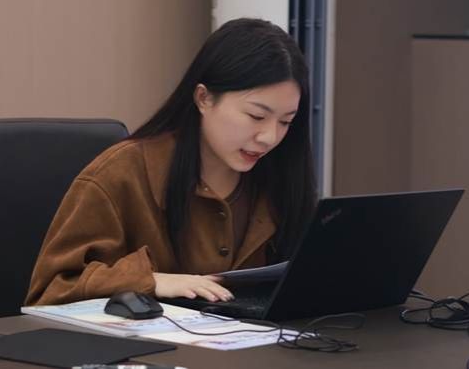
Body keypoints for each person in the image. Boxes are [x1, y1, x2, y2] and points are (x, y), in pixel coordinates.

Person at [25, 18, 317, 306]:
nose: (269, 137)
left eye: (285, 122)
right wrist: (150, 281)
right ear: (204, 98)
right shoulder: (122, 173)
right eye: (256, 116)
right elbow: (50, 293)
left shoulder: (280, 176)